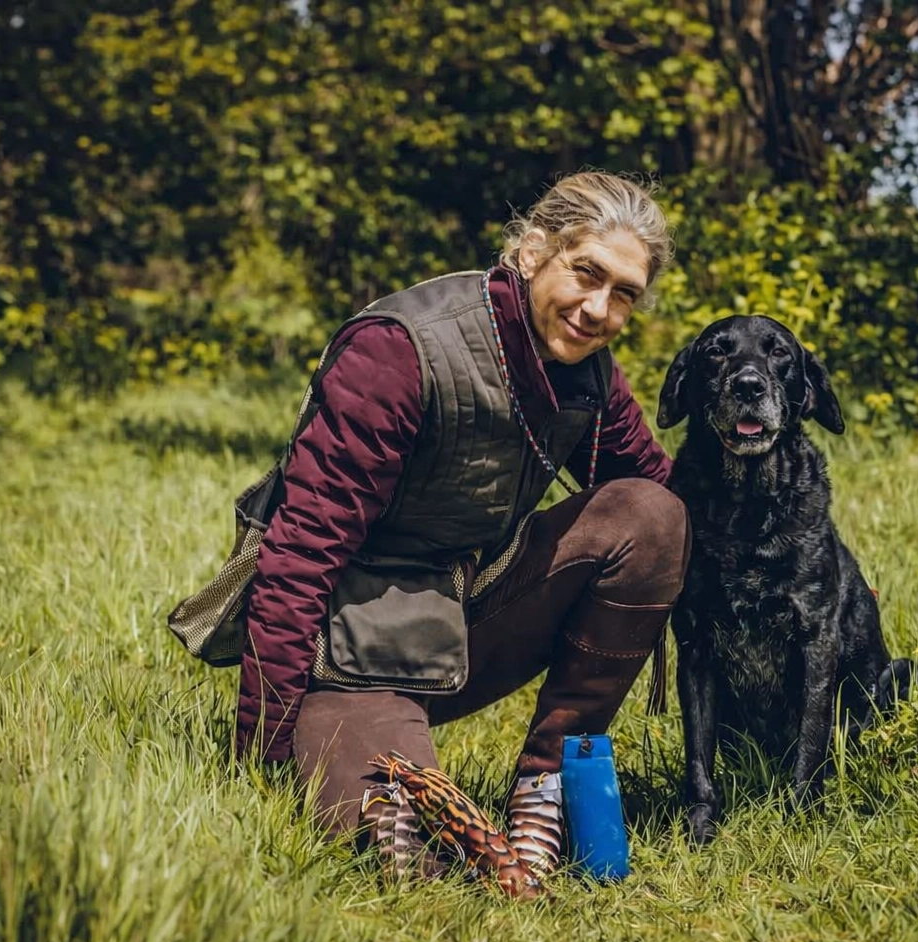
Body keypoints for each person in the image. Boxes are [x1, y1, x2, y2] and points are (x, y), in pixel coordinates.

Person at [236, 171, 689, 879]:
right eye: (586, 273)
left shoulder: (587, 369)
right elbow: (299, 554)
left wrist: (808, 573)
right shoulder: (400, 350)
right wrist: (262, 744)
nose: (598, 308)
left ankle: (545, 789)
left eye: (623, 294)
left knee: (653, 519)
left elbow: (658, 492)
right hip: (352, 648)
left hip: (474, 611)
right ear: (534, 251)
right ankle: (362, 742)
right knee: (403, 853)